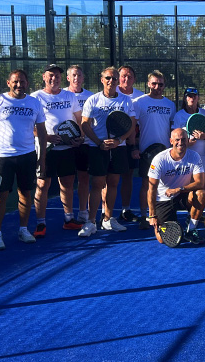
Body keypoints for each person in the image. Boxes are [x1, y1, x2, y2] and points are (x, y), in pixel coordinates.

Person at [0, 69, 47, 250]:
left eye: (22, 81)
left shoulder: (35, 103)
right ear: (8, 83)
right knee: (1, 196)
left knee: (25, 194)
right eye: (15, 81)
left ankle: (23, 230)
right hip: (2, 157)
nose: (19, 85)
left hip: (28, 155)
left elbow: (43, 133)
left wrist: (42, 157)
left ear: (27, 84)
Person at [79, 66, 136, 237]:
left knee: (113, 183)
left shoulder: (126, 101)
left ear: (118, 81)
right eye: (108, 78)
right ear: (102, 79)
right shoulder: (93, 100)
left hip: (118, 149)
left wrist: (119, 141)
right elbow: (84, 124)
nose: (111, 81)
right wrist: (98, 143)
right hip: (97, 149)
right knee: (97, 184)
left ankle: (108, 219)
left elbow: (132, 124)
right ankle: (90, 222)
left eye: (114, 79)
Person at [31, 64, 83, 238]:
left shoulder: (70, 96)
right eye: (51, 75)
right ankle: (40, 223)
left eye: (57, 76)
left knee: (67, 184)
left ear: (62, 78)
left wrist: (80, 137)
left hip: (67, 149)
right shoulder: (35, 97)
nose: (54, 78)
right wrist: (46, 137)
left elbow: (79, 120)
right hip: (46, 150)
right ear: (44, 77)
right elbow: (28, 126)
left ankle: (69, 220)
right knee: (42, 185)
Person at [147, 128, 205, 245]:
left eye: (183, 139)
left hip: (183, 194)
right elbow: (151, 189)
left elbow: (200, 183)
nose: (180, 143)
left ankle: (191, 229)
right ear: (171, 141)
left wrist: (179, 189)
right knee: (162, 239)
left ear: (187, 140)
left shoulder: (194, 156)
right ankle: (165, 221)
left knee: (201, 194)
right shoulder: (160, 159)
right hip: (164, 199)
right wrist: (152, 215)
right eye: (177, 140)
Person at [133, 71, 175, 227]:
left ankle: (166, 214)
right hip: (146, 152)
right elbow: (133, 128)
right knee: (147, 184)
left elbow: (172, 128)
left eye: (161, 84)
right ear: (148, 84)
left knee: (166, 184)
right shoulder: (138, 102)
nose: (157, 87)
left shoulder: (170, 105)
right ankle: (145, 216)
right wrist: (135, 147)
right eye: (154, 83)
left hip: (165, 152)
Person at [115, 64, 144, 223]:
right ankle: (107, 213)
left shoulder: (140, 97)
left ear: (134, 79)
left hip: (131, 144)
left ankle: (126, 210)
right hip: (113, 143)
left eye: (130, 76)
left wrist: (134, 143)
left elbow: (138, 123)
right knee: (109, 178)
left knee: (128, 177)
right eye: (123, 76)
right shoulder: (112, 93)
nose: (126, 79)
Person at [66, 65, 94, 224]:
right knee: (67, 181)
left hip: (85, 144)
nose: (76, 78)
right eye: (73, 75)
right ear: (68, 78)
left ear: (83, 78)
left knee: (84, 178)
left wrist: (83, 138)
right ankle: (68, 215)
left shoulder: (91, 97)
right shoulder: (61, 95)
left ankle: (83, 211)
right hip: (66, 145)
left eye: (79, 75)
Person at [173, 87, 205, 189]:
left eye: (194, 96)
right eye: (189, 96)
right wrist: (186, 143)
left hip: (203, 156)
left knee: (203, 188)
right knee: (187, 187)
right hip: (186, 157)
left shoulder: (204, 113)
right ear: (185, 98)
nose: (192, 99)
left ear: (198, 98)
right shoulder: (179, 115)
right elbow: (174, 136)